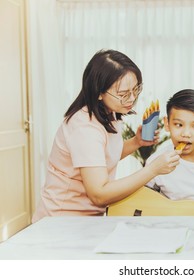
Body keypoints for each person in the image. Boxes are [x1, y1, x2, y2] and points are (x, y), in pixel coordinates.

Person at [32, 49, 181, 222]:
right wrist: (153, 169)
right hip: (62, 219)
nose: (132, 98)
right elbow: (99, 194)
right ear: (99, 93)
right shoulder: (84, 128)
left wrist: (136, 142)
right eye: (123, 94)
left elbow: (102, 156)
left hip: (86, 218)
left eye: (136, 89)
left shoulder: (109, 113)